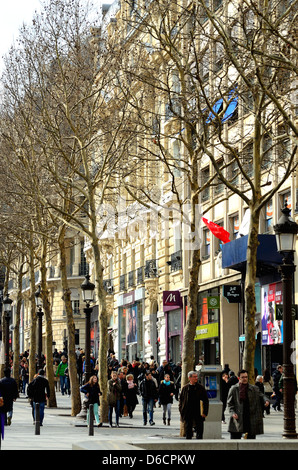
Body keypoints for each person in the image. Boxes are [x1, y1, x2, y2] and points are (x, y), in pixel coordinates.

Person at [227, 369, 269, 439]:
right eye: (242, 377)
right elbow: (230, 403)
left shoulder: (254, 388)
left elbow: (262, 395)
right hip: (238, 417)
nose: (245, 379)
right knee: (235, 439)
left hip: (250, 418)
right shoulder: (234, 389)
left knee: (251, 440)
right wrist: (232, 413)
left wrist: (266, 400)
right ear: (239, 378)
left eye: (246, 377)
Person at [179, 370, 209, 439]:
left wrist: (205, 412)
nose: (196, 378)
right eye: (194, 377)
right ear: (189, 378)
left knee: (199, 430)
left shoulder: (201, 388)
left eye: (196, 377)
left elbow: (205, 401)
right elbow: (181, 401)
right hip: (188, 412)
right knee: (188, 430)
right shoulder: (185, 388)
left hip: (198, 412)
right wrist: (181, 411)